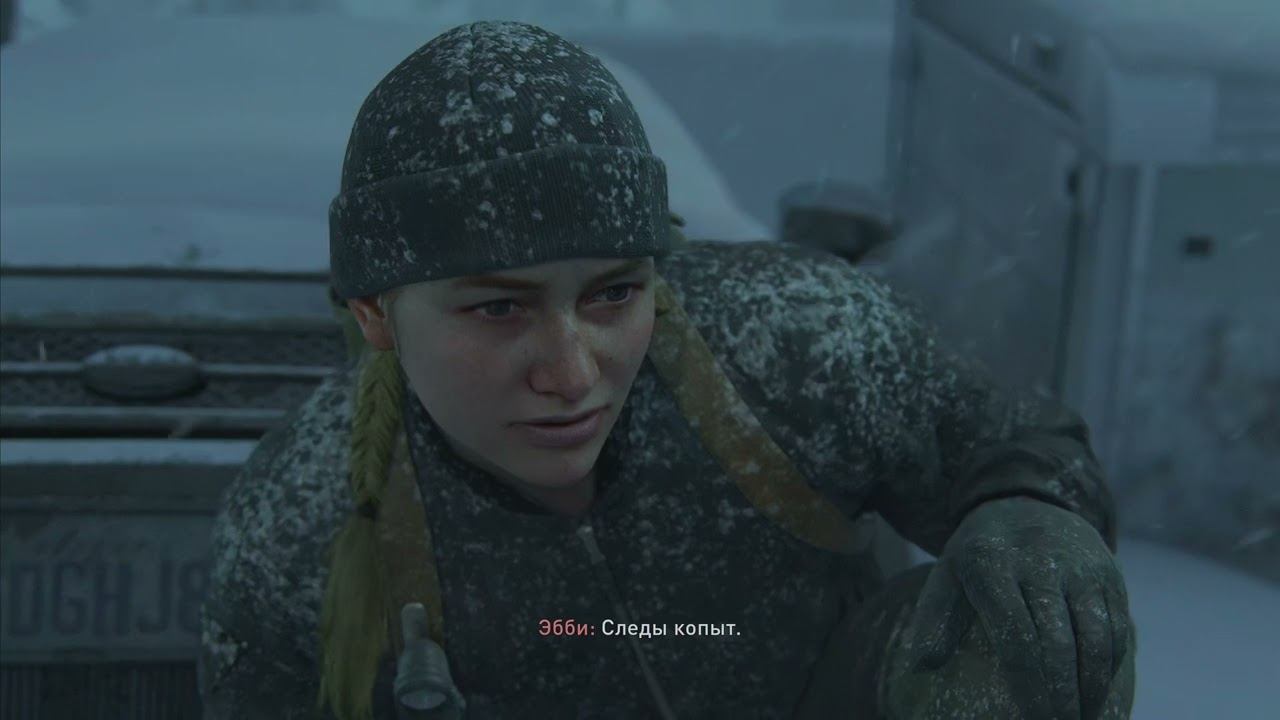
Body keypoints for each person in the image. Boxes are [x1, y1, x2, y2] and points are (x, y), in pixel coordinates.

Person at [198, 21, 1135, 720]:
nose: (573, 373)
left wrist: (1031, 511)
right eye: (499, 309)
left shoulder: (790, 343)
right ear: (375, 315)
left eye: (613, 294)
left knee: (1016, 634)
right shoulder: (305, 517)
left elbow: (1010, 442)